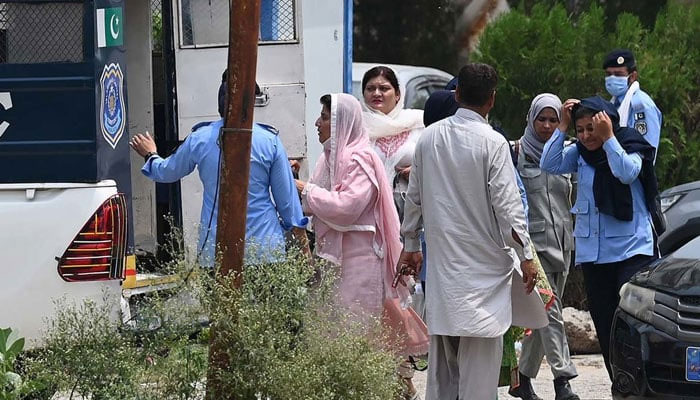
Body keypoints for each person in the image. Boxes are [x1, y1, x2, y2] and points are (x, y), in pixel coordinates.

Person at [399, 63, 545, 400]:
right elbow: (509, 210)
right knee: (478, 382)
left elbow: (414, 199)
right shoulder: (493, 143)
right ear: (491, 100)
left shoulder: (428, 139)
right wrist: (526, 258)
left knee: (442, 377)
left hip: (444, 278)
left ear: (458, 94)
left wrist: (410, 244)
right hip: (483, 284)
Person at [296, 93, 428, 400]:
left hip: (361, 262)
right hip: (334, 260)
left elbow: (346, 207)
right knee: (338, 330)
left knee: (359, 332)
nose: (319, 122)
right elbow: (311, 206)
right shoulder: (329, 158)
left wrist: (306, 190)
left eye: (326, 116)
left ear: (343, 122)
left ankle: (377, 388)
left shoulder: (360, 159)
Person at [129, 70, 308, 267]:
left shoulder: (200, 139)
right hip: (265, 251)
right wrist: (304, 250)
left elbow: (165, 171)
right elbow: (287, 203)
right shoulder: (270, 141)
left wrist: (150, 154)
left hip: (216, 253)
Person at [540, 96, 660, 381]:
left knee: (632, 326)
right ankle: (620, 386)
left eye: (590, 128)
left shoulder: (629, 142)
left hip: (632, 251)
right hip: (595, 255)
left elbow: (627, 172)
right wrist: (563, 126)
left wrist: (608, 140)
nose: (585, 136)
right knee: (605, 328)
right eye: (579, 130)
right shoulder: (580, 152)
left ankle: (643, 386)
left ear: (606, 123)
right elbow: (549, 163)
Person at [510, 94, 579, 400]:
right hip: (533, 248)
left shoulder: (566, 152)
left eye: (554, 120)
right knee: (551, 312)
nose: (548, 126)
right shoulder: (516, 152)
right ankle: (563, 380)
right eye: (542, 119)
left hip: (563, 244)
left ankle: (522, 380)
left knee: (545, 314)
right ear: (531, 119)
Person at [361, 66, 425, 193]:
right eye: (370, 89)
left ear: (397, 94)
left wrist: (418, 171)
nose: (376, 93)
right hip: (367, 206)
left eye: (384, 88)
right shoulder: (356, 126)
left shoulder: (418, 123)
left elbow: (437, 162)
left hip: (408, 205)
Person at [603, 49, 662, 152]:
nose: (612, 79)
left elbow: (645, 150)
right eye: (609, 74)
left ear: (632, 76)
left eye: (618, 74)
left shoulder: (641, 106)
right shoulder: (614, 104)